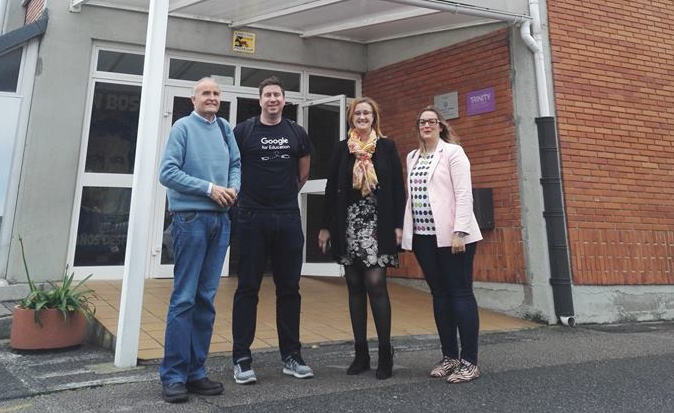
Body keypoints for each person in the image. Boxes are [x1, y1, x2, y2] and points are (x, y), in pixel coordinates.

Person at [158, 77, 241, 403]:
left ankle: (196, 372)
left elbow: (235, 164)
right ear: (193, 99)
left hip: (220, 222)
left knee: (206, 298)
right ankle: (174, 376)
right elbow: (167, 172)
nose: (212, 97)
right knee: (184, 298)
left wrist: (233, 189)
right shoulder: (182, 128)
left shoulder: (224, 129)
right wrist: (209, 188)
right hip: (190, 221)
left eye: (216, 93)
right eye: (205, 93)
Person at [231, 76, 313, 384]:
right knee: (247, 288)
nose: (273, 99)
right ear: (260, 100)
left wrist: (283, 196)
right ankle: (241, 358)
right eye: (267, 95)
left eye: (277, 94)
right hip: (251, 218)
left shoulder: (296, 132)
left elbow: (303, 173)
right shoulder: (244, 131)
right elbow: (232, 164)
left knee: (289, 289)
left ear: (284, 99)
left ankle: (291, 356)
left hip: (288, 218)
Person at [318, 97, 405, 380]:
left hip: (378, 223)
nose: (362, 117)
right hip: (349, 223)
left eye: (367, 113)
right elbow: (331, 189)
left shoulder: (387, 146)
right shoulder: (342, 149)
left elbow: (396, 187)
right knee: (355, 285)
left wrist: (398, 225)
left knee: (376, 283)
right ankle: (360, 354)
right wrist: (325, 226)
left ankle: (384, 352)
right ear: (351, 117)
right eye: (358, 113)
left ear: (374, 117)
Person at [401, 106, 483, 383]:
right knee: (439, 295)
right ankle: (449, 357)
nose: (427, 125)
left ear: (440, 125)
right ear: (418, 127)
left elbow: (463, 193)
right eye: (422, 121)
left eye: (431, 121)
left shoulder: (453, 152)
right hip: (425, 237)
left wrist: (460, 231)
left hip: (453, 237)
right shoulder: (412, 156)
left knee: (460, 294)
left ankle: (469, 361)